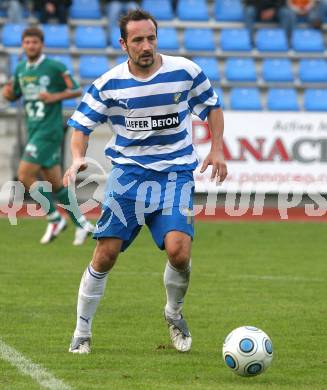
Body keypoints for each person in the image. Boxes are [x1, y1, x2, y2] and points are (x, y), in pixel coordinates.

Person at [64, 9, 227, 354]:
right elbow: (80, 125)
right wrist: (78, 156)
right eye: (138, 40)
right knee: (105, 254)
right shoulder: (109, 84)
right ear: (123, 44)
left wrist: (217, 149)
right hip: (129, 178)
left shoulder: (185, 71)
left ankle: (174, 312)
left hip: (175, 175)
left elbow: (212, 106)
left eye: (151, 38)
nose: (146, 45)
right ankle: (82, 331)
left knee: (179, 252)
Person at [2, 27, 93, 245]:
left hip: (48, 129)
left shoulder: (54, 67)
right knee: (55, 184)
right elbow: (13, 93)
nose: (31, 46)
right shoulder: (21, 68)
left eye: (34, 42)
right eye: (27, 42)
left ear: (41, 44)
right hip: (33, 127)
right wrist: (8, 91)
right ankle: (82, 224)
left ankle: (53, 218)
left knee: (24, 175)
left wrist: (54, 96)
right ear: (23, 45)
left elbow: (75, 90)